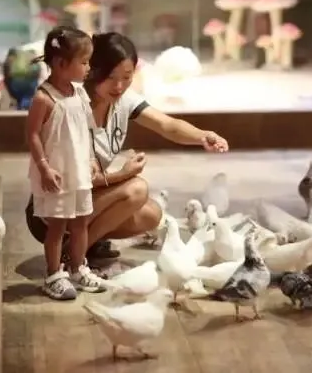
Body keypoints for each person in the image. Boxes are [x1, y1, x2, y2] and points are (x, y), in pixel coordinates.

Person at [26, 32, 229, 267]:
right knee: (136, 189)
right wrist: (124, 174)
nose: (119, 86)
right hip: (53, 208)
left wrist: (203, 136)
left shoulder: (123, 100)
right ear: (92, 69)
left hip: (84, 197)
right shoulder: (74, 104)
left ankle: (86, 243)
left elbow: (167, 125)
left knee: (151, 214)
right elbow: (80, 176)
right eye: (111, 77)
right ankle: (73, 254)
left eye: (127, 76)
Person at [27, 26, 104, 301]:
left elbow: (85, 130)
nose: (88, 68)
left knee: (82, 221)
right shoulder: (44, 98)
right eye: (84, 62)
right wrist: (44, 167)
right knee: (58, 226)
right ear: (61, 63)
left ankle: (78, 268)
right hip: (58, 174)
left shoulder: (79, 94)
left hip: (78, 172)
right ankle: (52, 275)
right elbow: (32, 135)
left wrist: (91, 158)